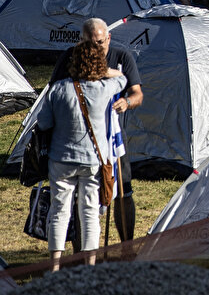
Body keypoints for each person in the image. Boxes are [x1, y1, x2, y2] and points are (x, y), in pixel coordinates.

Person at [48, 17, 142, 246]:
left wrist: (127, 103)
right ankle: (81, 254)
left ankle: (126, 247)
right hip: (78, 140)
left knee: (123, 191)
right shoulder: (70, 58)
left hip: (113, 137)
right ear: (81, 41)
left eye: (100, 42)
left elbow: (137, 92)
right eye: (90, 43)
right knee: (82, 199)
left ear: (108, 38)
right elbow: (54, 93)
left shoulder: (121, 57)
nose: (95, 48)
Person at [36, 38, 126, 270]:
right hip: (94, 159)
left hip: (61, 159)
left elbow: (43, 122)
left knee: (59, 212)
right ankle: (90, 266)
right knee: (89, 213)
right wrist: (106, 71)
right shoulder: (106, 88)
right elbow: (123, 80)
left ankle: (55, 266)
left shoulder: (58, 89)